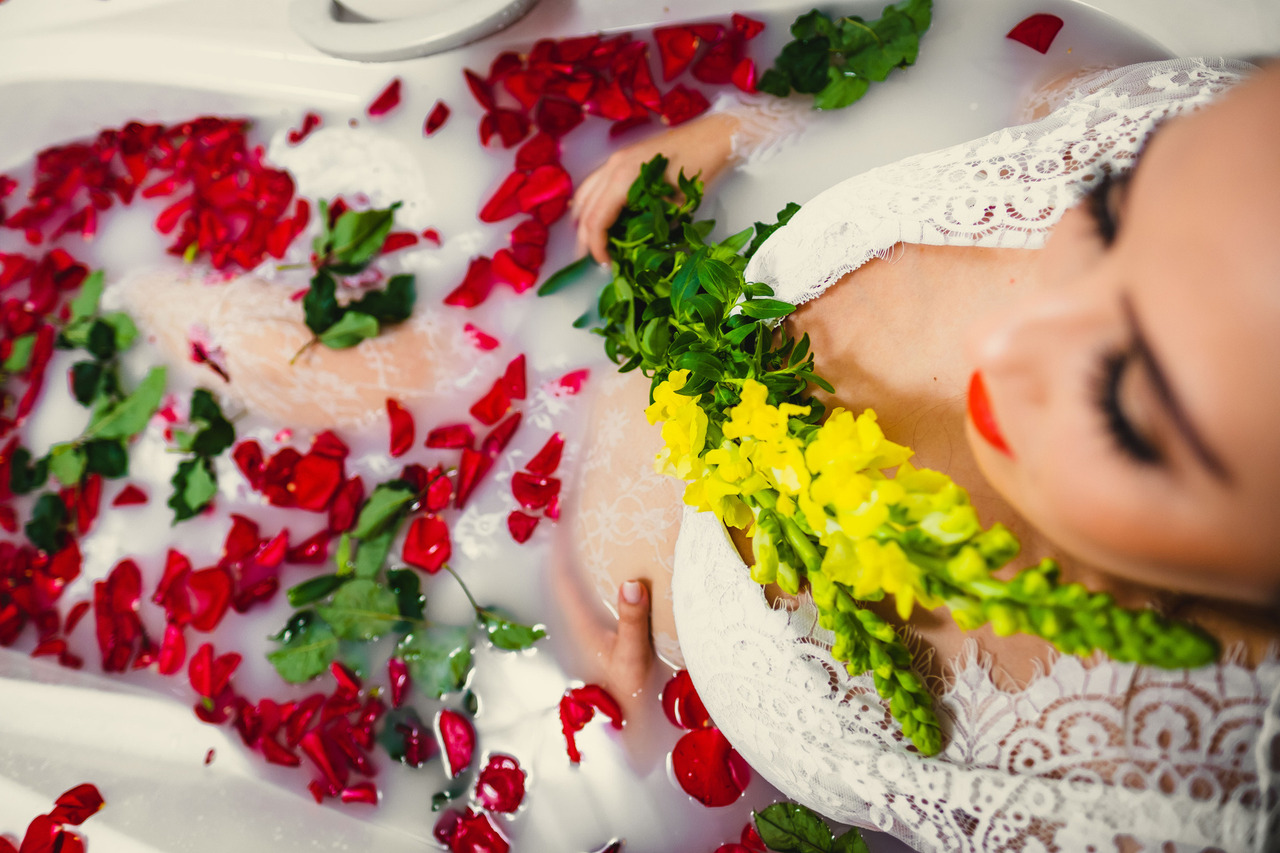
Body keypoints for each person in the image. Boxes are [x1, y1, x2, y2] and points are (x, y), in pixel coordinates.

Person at [565, 57, 1280, 852]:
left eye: (1125, 404)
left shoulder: (1146, 802)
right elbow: (1027, 81)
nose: (1009, 345)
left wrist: (632, 744)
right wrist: (742, 127)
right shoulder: (1230, 150)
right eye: (1114, 214)